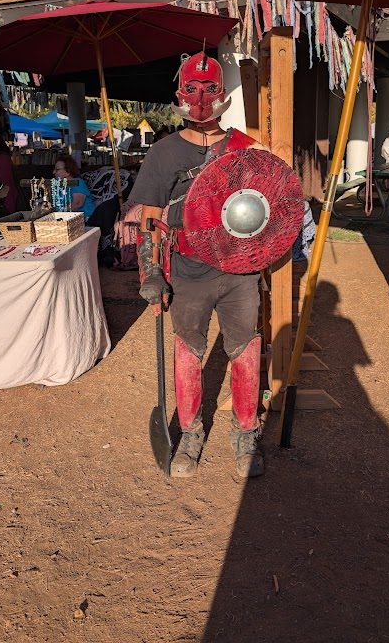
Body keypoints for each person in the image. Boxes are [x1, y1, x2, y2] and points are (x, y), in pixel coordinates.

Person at [129, 52, 266, 479]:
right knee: (189, 350)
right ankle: (190, 433)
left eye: (210, 90)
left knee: (246, 349)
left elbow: (270, 205)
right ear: (179, 95)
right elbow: (146, 218)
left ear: (223, 95)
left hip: (239, 270)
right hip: (188, 271)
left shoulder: (246, 147)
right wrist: (151, 272)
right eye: (192, 89)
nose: (201, 99)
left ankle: (245, 433)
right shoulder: (164, 152)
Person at [53, 155, 97, 221]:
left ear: (68, 171)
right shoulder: (59, 185)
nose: (54, 172)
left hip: (87, 219)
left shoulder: (77, 182)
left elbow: (77, 203)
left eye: (57, 170)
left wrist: (58, 214)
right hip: (69, 219)